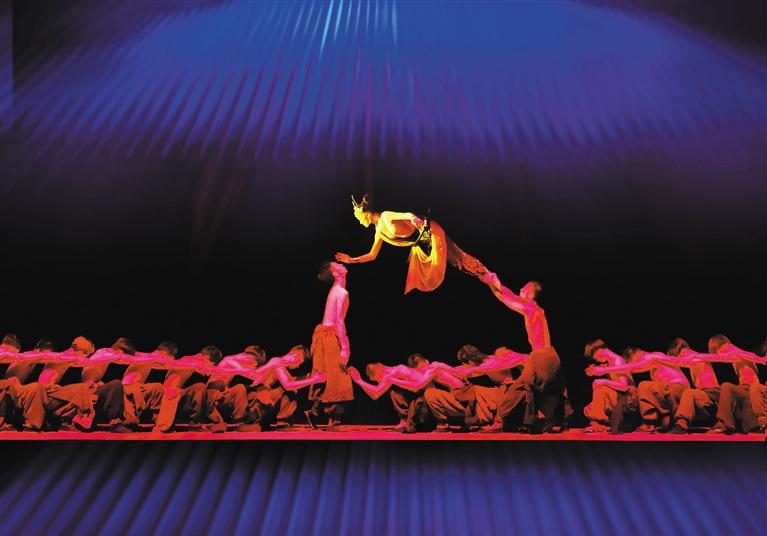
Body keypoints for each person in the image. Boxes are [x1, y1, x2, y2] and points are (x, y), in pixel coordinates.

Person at [334, 194, 488, 293]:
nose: (360, 222)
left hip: (430, 230)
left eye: (359, 218)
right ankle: (483, 275)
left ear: (366, 213)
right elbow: (372, 255)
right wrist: (351, 260)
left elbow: (406, 215)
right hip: (424, 241)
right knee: (454, 260)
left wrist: (413, 218)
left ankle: (484, 274)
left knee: (456, 257)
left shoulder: (385, 217)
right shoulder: (378, 231)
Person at [479, 272, 566, 432]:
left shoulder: (532, 308)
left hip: (542, 356)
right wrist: (490, 283)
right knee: (530, 387)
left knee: (519, 388)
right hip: (547, 356)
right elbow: (505, 297)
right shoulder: (534, 310)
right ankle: (533, 421)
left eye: (524, 288)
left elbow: (507, 298)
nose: (520, 289)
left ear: (531, 294)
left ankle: (506, 420)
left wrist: (495, 281)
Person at [587, 347, 690, 433]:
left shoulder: (650, 357)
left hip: (677, 388)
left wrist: (604, 370)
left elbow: (635, 367)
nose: (635, 362)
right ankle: (661, 421)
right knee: (650, 390)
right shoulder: (656, 358)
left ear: (633, 354)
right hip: (674, 389)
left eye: (632, 361)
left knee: (644, 386)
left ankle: (649, 423)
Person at [306, 261, 354, 428]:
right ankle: (331, 417)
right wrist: (345, 347)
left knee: (327, 375)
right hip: (330, 336)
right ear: (334, 273)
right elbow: (339, 321)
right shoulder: (341, 291)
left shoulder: (335, 289)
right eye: (337, 265)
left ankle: (316, 412)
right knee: (338, 378)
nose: (341, 264)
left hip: (324, 336)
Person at [246, 345, 326, 430]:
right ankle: (282, 421)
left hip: (259, 401)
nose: (298, 366)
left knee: (289, 387)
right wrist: (313, 380)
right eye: (299, 362)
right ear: (294, 356)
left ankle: (270, 421)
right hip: (255, 402)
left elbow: (291, 380)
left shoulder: (279, 365)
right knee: (290, 390)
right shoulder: (277, 362)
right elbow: (288, 385)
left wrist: (309, 377)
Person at [704, 335, 766, 434]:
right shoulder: (739, 353)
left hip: (750, 388)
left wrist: (691, 358)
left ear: (719, 346)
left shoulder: (731, 351)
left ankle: (725, 424)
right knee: (729, 392)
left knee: (727, 387)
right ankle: (746, 426)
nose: (718, 353)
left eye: (716, 350)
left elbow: (717, 357)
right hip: (746, 389)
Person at [583, 339, 637, 433]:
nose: (596, 360)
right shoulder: (611, 361)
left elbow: (623, 386)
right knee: (588, 409)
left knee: (600, 388)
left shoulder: (617, 361)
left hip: (627, 398)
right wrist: (596, 371)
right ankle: (606, 424)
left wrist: (604, 381)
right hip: (618, 396)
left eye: (594, 357)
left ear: (599, 350)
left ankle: (599, 423)